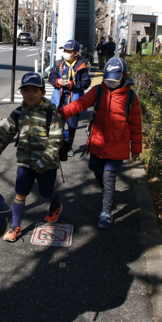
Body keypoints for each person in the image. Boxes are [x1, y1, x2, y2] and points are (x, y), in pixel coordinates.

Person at [57, 57, 142, 229]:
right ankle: (108, 194)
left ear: (123, 77)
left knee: (109, 177)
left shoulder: (131, 97)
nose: (110, 83)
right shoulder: (98, 91)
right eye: (108, 79)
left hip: (117, 145)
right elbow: (80, 104)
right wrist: (61, 113)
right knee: (96, 170)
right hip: (97, 142)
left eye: (114, 80)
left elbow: (136, 125)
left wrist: (136, 150)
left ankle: (106, 212)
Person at [0, 72, 64, 242]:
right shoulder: (18, 112)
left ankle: (56, 205)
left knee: (46, 191)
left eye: (35, 90)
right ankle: (15, 226)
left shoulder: (50, 115)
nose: (30, 94)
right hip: (24, 162)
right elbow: (7, 131)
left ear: (42, 93)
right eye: (26, 90)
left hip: (47, 164)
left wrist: (44, 161)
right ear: (21, 92)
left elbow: (56, 140)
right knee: (20, 193)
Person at [49, 40, 92, 157]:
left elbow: (86, 83)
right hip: (59, 99)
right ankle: (58, 146)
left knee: (72, 125)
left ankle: (69, 147)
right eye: (65, 50)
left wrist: (72, 84)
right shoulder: (59, 63)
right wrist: (57, 81)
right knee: (59, 123)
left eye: (69, 51)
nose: (66, 53)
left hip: (74, 100)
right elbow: (51, 77)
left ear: (76, 53)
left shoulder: (82, 65)